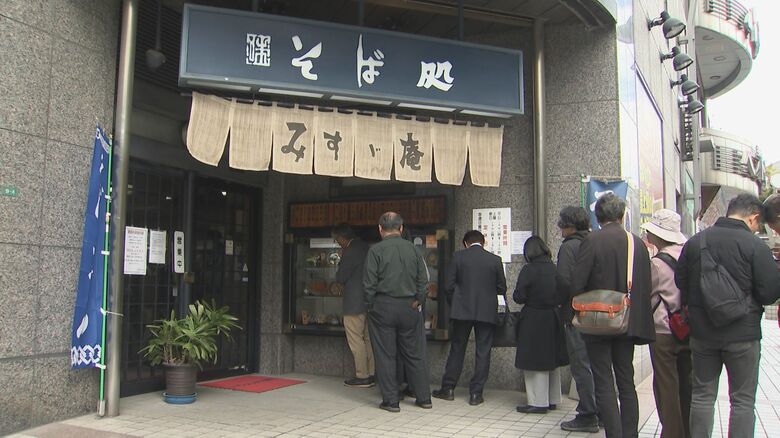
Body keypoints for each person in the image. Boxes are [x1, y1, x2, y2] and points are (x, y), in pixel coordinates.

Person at [675, 194, 780, 437]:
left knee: (702, 396)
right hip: (743, 336)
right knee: (742, 401)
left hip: (702, 334)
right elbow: (768, 294)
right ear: (753, 218)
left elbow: (681, 282)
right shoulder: (756, 246)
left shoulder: (695, 242)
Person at [571, 193, 655, 438]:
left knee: (603, 381)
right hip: (626, 321)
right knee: (626, 380)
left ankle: (614, 434)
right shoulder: (636, 243)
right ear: (622, 215)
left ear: (597, 216)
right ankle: (630, 434)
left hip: (597, 321)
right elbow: (645, 284)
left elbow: (577, 281)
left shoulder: (592, 241)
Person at [363, 211, 432, 413]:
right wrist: (419, 300)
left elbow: (368, 284)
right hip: (410, 306)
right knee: (415, 353)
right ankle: (424, 398)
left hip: (382, 306)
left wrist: (370, 305)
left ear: (380, 229)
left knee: (385, 354)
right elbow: (423, 280)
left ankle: (391, 401)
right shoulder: (413, 249)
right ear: (401, 228)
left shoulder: (375, 251)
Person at [432, 230, 507, 406]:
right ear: (483, 242)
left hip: (462, 311)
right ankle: (476, 394)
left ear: (466, 243)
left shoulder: (458, 257)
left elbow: (448, 286)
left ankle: (448, 388)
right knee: (483, 351)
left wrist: (456, 303)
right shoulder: (494, 260)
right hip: (486, 312)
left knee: (457, 348)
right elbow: (502, 288)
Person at [640, 209, 691, 438]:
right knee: (687, 384)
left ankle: (671, 433)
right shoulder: (689, 256)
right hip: (689, 328)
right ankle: (688, 431)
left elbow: (647, 294)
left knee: (666, 385)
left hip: (664, 329)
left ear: (658, 235)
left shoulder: (657, 264)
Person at [555, 207, 600, 433]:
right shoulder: (594, 242)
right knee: (597, 365)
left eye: (562, 224)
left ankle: (588, 414)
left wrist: (561, 303)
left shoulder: (569, 247)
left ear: (569, 226)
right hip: (599, 314)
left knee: (581, 365)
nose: (560, 228)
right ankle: (602, 411)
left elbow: (564, 280)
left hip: (576, 313)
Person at [513, 236, 569, 414]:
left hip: (533, 318)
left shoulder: (529, 270)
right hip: (553, 316)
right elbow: (564, 289)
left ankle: (538, 402)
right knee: (551, 359)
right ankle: (552, 399)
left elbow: (519, 296)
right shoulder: (554, 268)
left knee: (534, 360)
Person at [332, 223, 375, 388]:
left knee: (356, 339)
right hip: (368, 301)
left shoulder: (350, 251)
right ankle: (371, 373)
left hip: (354, 302)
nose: (337, 243)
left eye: (336, 240)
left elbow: (341, 276)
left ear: (342, 238)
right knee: (367, 339)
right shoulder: (365, 247)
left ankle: (362, 375)